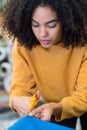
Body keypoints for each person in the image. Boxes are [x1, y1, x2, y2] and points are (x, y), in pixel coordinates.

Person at [2, 0, 87, 129]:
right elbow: (21, 87)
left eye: (51, 25)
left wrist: (58, 107)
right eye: (35, 24)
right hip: (52, 105)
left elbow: (84, 96)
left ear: (67, 21)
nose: (42, 34)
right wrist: (17, 100)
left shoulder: (83, 41)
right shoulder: (25, 42)